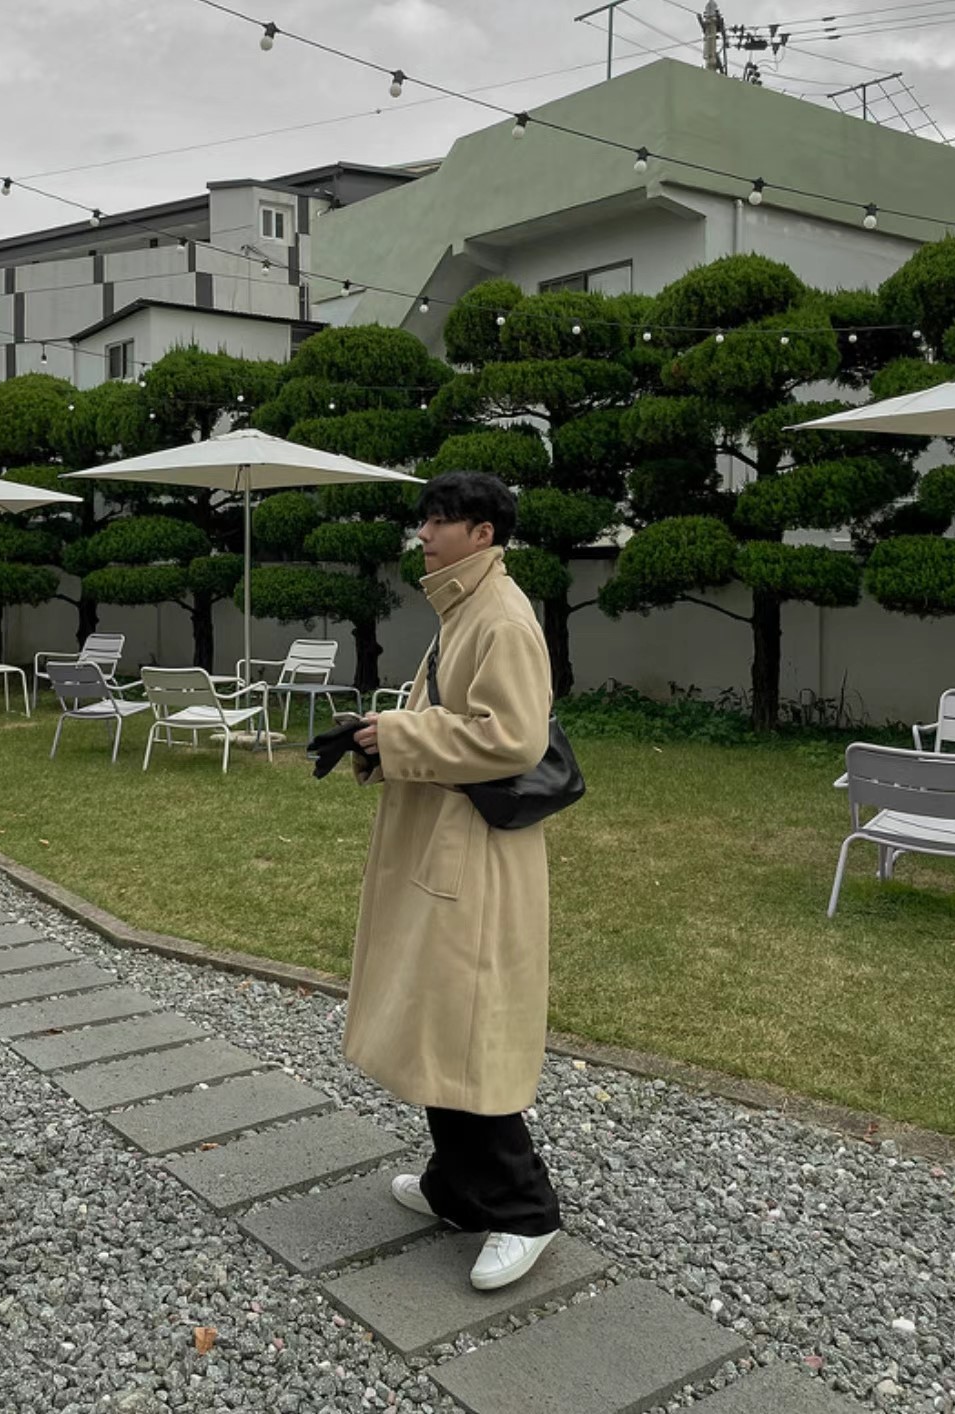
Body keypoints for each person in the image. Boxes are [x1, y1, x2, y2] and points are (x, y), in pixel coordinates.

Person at [347, 470, 561, 1292]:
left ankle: (525, 1209)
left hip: (473, 851)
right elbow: (454, 720)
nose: (425, 533)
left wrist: (399, 735)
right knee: (440, 1023)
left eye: (442, 521)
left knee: (468, 1028)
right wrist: (380, 743)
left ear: (483, 534)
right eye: (426, 519)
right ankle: (455, 1186)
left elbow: (514, 739)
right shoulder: (463, 608)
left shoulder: (499, 616)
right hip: (445, 836)